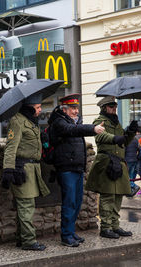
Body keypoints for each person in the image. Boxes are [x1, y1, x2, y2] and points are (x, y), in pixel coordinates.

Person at [47, 93, 105, 247]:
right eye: (73, 108)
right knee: (69, 202)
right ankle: (66, 235)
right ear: (64, 109)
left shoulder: (73, 122)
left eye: (76, 108)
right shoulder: (59, 122)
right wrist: (93, 129)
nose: (76, 111)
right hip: (66, 168)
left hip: (77, 167)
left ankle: (71, 232)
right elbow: (72, 130)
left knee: (77, 202)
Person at [1, 93, 50, 251]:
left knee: (27, 205)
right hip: (22, 169)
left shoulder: (32, 122)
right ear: (29, 108)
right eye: (37, 107)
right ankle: (29, 241)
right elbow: (11, 147)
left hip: (32, 169)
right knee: (26, 206)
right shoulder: (17, 121)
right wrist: (8, 169)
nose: (40, 110)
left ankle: (21, 239)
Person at [86, 96, 138, 239]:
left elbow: (124, 142)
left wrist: (131, 132)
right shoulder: (99, 121)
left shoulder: (116, 123)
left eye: (115, 106)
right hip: (107, 162)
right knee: (107, 196)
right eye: (110, 106)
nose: (114, 108)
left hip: (119, 162)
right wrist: (116, 138)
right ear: (104, 108)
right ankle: (106, 227)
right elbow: (100, 136)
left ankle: (115, 225)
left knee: (118, 196)